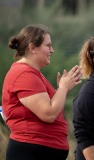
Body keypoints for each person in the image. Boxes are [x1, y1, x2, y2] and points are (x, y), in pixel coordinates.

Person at [2, 24, 82, 160]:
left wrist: (61, 91)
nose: (52, 50)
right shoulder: (23, 74)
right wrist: (63, 88)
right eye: (48, 46)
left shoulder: (31, 73)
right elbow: (48, 114)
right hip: (30, 151)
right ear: (32, 48)